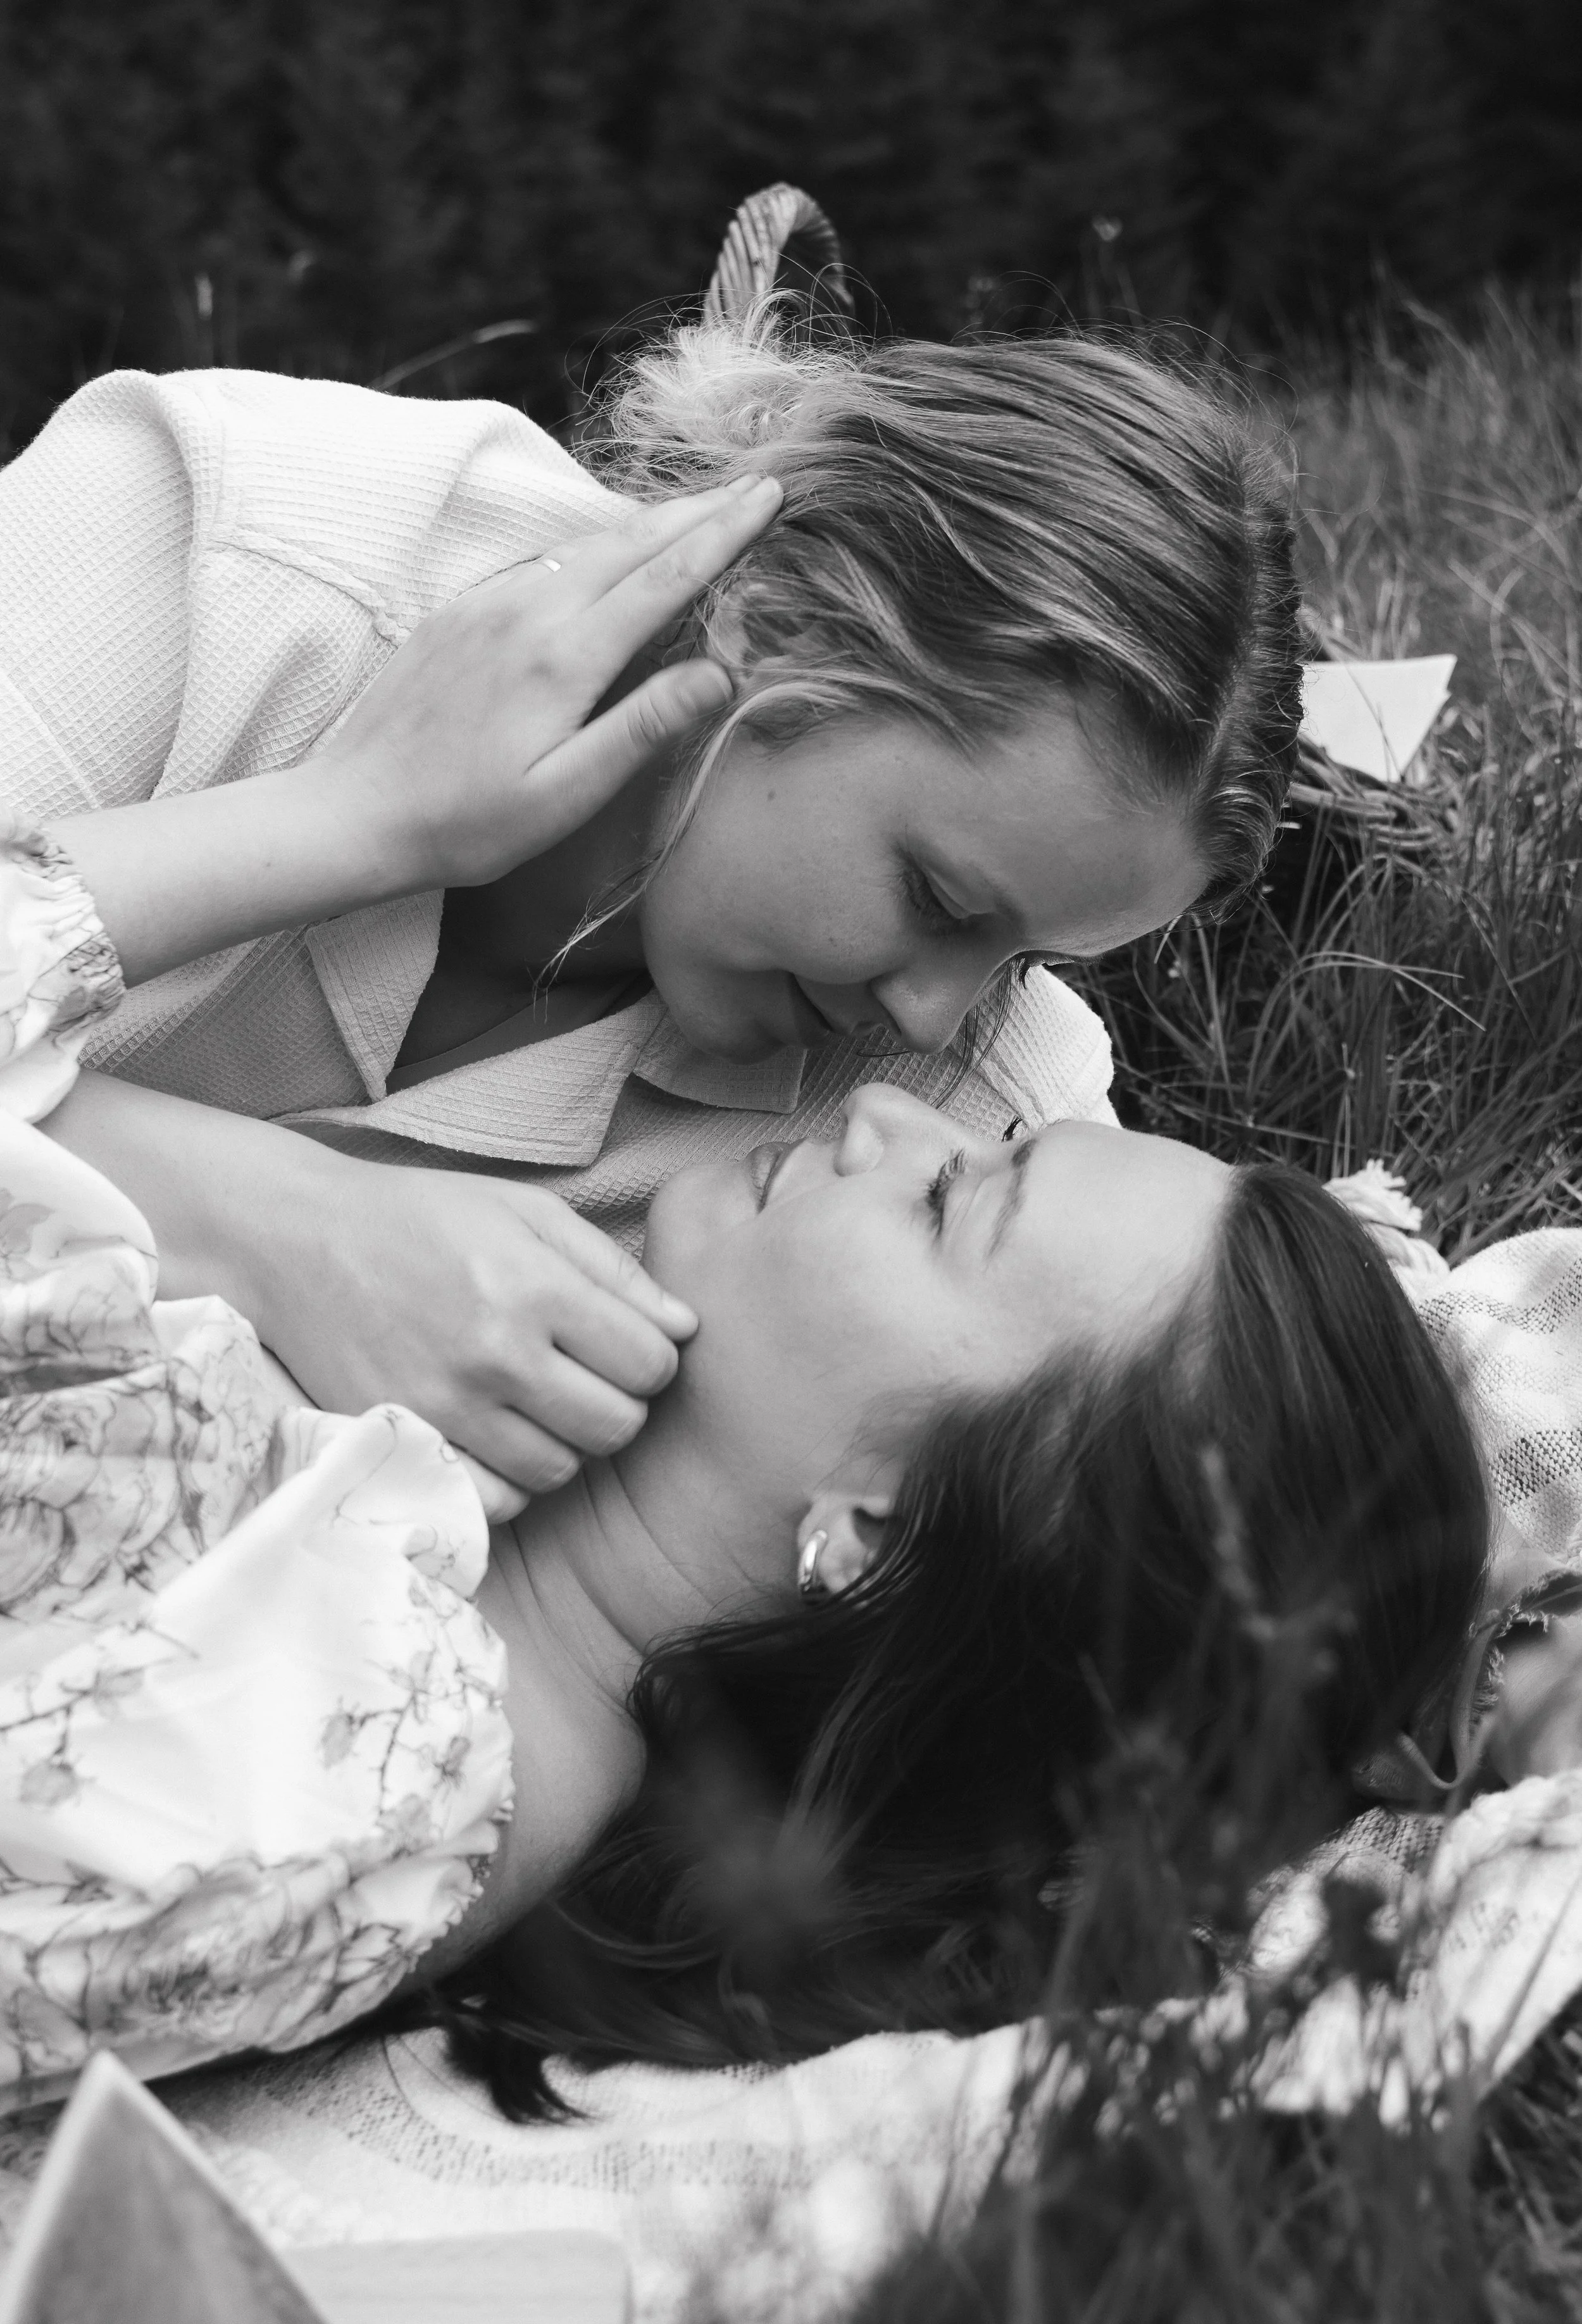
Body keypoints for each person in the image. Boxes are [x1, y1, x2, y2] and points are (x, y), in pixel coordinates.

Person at [0, 815, 1486, 2109]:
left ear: (875, 1532)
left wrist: (352, 823)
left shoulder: (354, 1789)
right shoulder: (425, 1507)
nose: (887, 1112)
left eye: (949, 1203)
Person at [0, 311, 1303, 1497]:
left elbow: (1178, 1459)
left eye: (1027, 962)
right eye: (938, 898)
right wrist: (279, 1223)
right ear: (781, 625)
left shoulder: (948, 1138)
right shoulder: (245, 549)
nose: (932, 1018)